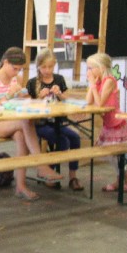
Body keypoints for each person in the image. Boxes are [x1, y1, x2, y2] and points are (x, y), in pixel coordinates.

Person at [0, 47, 62, 201]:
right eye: (15, 68)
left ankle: (21, 186)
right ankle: (41, 165)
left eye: (20, 69)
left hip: (14, 121)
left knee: (21, 136)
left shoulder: (17, 79)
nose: (17, 72)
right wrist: (8, 95)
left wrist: (25, 96)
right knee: (25, 122)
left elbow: (22, 100)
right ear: (6, 62)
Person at [26, 49, 83, 191]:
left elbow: (66, 100)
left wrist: (60, 94)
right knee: (63, 141)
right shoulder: (32, 83)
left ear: (54, 65)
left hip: (58, 122)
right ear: (38, 66)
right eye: (44, 67)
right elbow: (27, 106)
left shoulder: (59, 79)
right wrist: (39, 97)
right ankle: (48, 172)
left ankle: (73, 176)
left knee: (75, 138)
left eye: (50, 67)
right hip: (40, 124)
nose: (47, 70)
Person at [85, 53, 127, 193]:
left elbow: (100, 104)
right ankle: (123, 177)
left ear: (101, 68)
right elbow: (88, 101)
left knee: (113, 153)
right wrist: (92, 84)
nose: (88, 71)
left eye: (91, 68)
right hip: (108, 123)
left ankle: (126, 176)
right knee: (108, 153)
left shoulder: (109, 80)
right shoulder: (99, 81)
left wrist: (93, 85)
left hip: (117, 123)